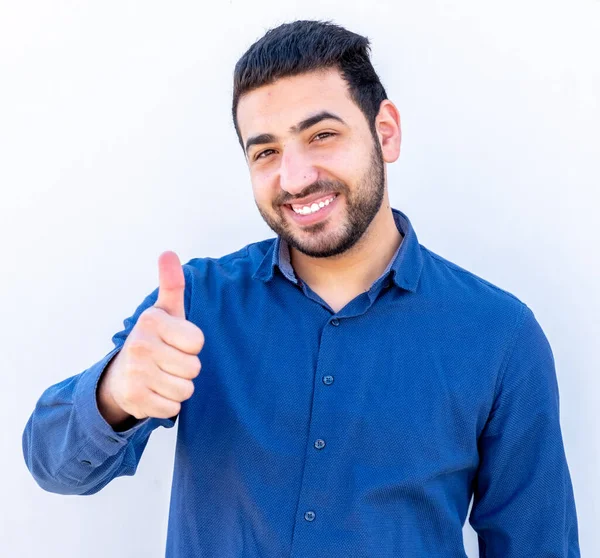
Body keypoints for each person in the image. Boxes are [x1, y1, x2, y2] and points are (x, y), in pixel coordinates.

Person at [22, 19, 579, 557]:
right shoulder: (197, 305)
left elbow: (538, 544)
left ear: (385, 132)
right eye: (265, 151)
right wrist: (115, 393)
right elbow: (53, 464)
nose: (294, 177)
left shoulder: (500, 335)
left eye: (322, 135)